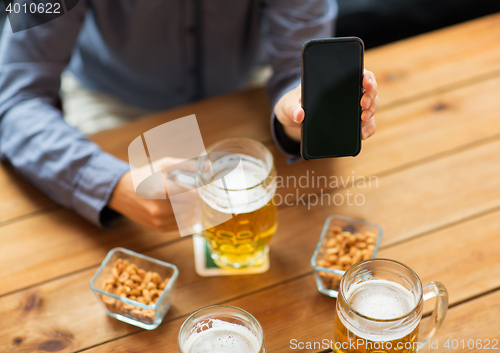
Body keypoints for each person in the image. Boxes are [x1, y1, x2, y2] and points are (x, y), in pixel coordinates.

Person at [0, 0, 378, 232]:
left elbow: (296, 69)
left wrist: (299, 112)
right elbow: (14, 98)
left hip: (243, 89)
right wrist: (111, 184)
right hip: (111, 100)